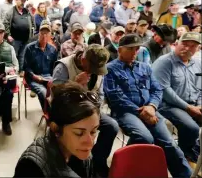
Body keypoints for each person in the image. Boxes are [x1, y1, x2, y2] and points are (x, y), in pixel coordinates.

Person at [103, 34, 193, 178]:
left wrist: (151, 106)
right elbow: (115, 97)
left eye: (137, 49)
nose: (135, 52)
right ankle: (124, 166)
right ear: (120, 50)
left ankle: (186, 175)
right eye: (131, 49)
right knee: (145, 137)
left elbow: (157, 89)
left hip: (150, 110)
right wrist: (141, 111)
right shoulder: (110, 69)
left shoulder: (145, 67)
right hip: (126, 112)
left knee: (169, 143)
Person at [52, 44, 119, 177]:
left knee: (112, 126)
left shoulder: (98, 70)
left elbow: (100, 95)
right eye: (93, 67)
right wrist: (76, 84)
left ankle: (97, 163)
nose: (96, 71)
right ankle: (72, 164)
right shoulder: (64, 67)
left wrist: (94, 109)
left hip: (91, 111)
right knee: (77, 131)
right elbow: (56, 100)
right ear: (83, 60)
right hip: (69, 113)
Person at [14, 82, 100, 177]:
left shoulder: (82, 152)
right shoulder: (31, 168)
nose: (90, 142)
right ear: (56, 129)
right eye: (79, 133)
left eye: (93, 131)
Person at [152, 32, 202, 169]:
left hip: (193, 104)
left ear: (198, 48)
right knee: (191, 127)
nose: (187, 48)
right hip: (167, 105)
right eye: (185, 44)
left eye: (193, 46)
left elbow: (200, 87)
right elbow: (165, 91)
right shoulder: (165, 62)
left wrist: (199, 105)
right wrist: (188, 107)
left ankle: (196, 153)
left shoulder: (197, 63)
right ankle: (186, 157)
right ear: (176, 44)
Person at [0, 23, 19, 135]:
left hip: (7, 79)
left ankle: (5, 121)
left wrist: (11, 70)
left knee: (7, 94)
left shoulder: (10, 47)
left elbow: (16, 65)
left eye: (1, 32)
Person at [23, 20, 58, 110]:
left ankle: (55, 114)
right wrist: (34, 76)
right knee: (43, 92)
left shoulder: (53, 50)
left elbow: (54, 68)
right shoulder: (30, 48)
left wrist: (53, 79)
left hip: (48, 77)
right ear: (39, 34)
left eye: (47, 33)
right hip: (33, 78)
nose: (44, 36)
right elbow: (26, 67)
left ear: (50, 35)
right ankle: (48, 116)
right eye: (42, 33)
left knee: (58, 91)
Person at [3, 0, 34, 77]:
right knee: (13, 56)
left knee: (22, 56)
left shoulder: (27, 11)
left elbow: (33, 22)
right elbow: (5, 23)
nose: (23, 2)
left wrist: (31, 32)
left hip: (25, 39)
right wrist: (8, 35)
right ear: (17, 0)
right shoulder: (11, 11)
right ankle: (12, 72)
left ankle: (21, 71)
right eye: (21, 0)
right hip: (14, 39)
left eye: (24, 1)